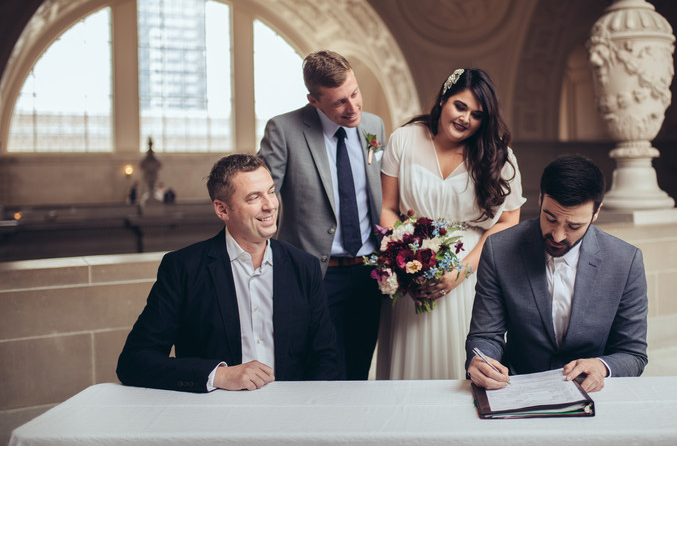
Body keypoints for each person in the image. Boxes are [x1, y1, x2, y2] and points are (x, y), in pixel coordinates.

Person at [116, 154, 341, 393]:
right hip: (214, 414)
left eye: (271, 191)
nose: (270, 204)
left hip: (289, 412)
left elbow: (326, 360)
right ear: (222, 209)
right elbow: (134, 361)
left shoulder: (304, 266)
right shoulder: (183, 268)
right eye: (254, 197)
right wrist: (218, 375)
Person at [377, 68, 526, 379]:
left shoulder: (499, 157)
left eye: (477, 114)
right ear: (443, 98)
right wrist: (405, 260)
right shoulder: (403, 139)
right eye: (460, 106)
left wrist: (462, 270)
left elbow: (510, 220)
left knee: (462, 361)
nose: (466, 119)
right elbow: (388, 208)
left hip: (471, 271)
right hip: (413, 271)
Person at [466, 154, 648, 393]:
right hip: (516, 389)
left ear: (596, 212)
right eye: (550, 218)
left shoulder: (626, 260)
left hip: (592, 394)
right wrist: (481, 361)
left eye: (574, 226)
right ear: (541, 199)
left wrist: (602, 366)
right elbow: (486, 335)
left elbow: (633, 353)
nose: (558, 235)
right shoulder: (499, 249)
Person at [258, 51, 384, 380]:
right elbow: (259, 197)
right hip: (314, 275)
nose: (353, 107)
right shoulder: (283, 130)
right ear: (314, 100)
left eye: (355, 93)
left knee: (358, 369)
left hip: (370, 274)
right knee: (319, 372)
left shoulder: (374, 126)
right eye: (339, 102)